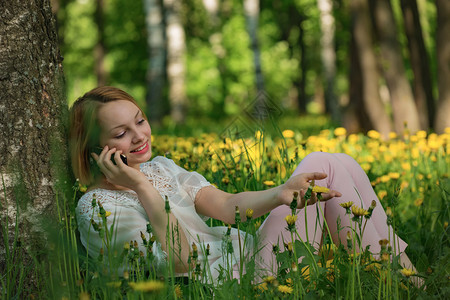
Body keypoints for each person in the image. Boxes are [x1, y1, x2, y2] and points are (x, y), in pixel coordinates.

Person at [70, 86, 414, 280]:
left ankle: (400, 274)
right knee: (325, 162)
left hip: (251, 258)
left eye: (140, 121)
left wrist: (280, 194)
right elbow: (180, 264)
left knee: (334, 162)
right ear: (94, 149)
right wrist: (143, 189)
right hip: (237, 284)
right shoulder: (97, 208)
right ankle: (402, 277)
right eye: (121, 133)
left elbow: (227, 207)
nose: (139, 136)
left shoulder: (161, 168)